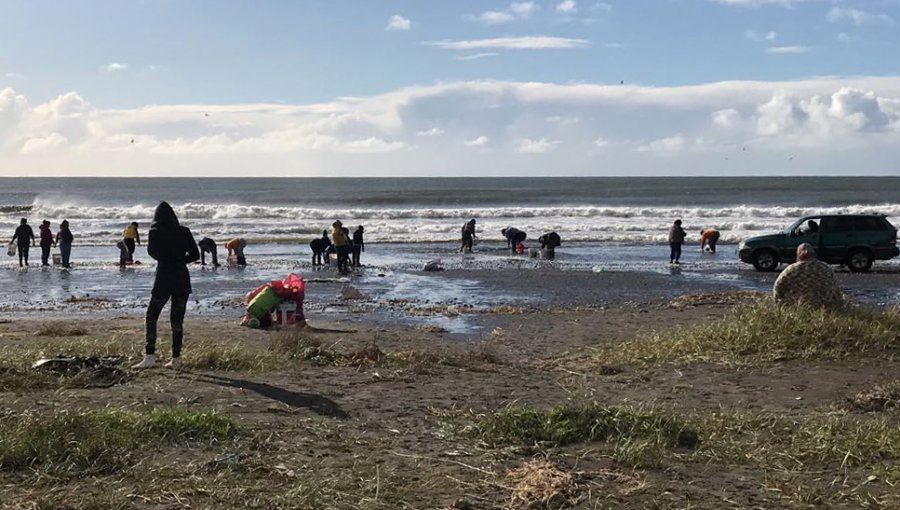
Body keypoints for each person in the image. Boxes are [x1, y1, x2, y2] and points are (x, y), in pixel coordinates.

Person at [133, 201, 200, 370]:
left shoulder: (155, 232)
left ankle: (150, 355)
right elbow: (195, 254)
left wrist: (166, 259)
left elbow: (152, 253)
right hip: (181, 277)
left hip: (163, 276)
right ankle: (176, 359)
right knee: (177, 320)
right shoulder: (184, 231)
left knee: (152, 315)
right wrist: (179, 260)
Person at [773, 243, 843, 309]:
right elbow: (836, 290)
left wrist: (779, 305)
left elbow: (778, 287)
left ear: (798, 255)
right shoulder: (826, 268)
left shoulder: (791, 270)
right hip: (825, 308)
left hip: (798, 308)